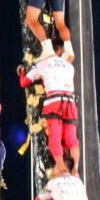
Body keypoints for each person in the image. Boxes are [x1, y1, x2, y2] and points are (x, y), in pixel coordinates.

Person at [19, 38, 79, 176]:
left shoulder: (42, 64)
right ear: (60, 51)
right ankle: (75, 169)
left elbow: (24, 82)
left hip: (54, 102)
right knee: (71, 138)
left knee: (55, 139)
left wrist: (23, 71)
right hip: (70, 102)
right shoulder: (69, 66)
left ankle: (60, 167)